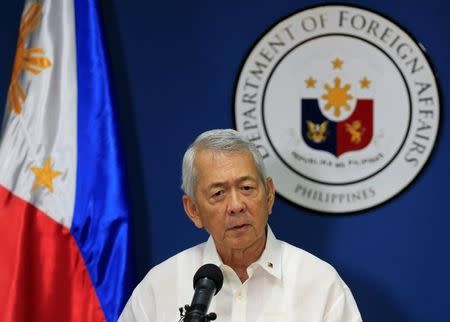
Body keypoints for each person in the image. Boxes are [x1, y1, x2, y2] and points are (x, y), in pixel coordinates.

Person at [119, 129, 362, 322]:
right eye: (218, 193)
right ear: (193, 210)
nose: (236, 205)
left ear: (269, 195)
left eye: (246, 188)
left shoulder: (320, 283)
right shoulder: (160, 286)